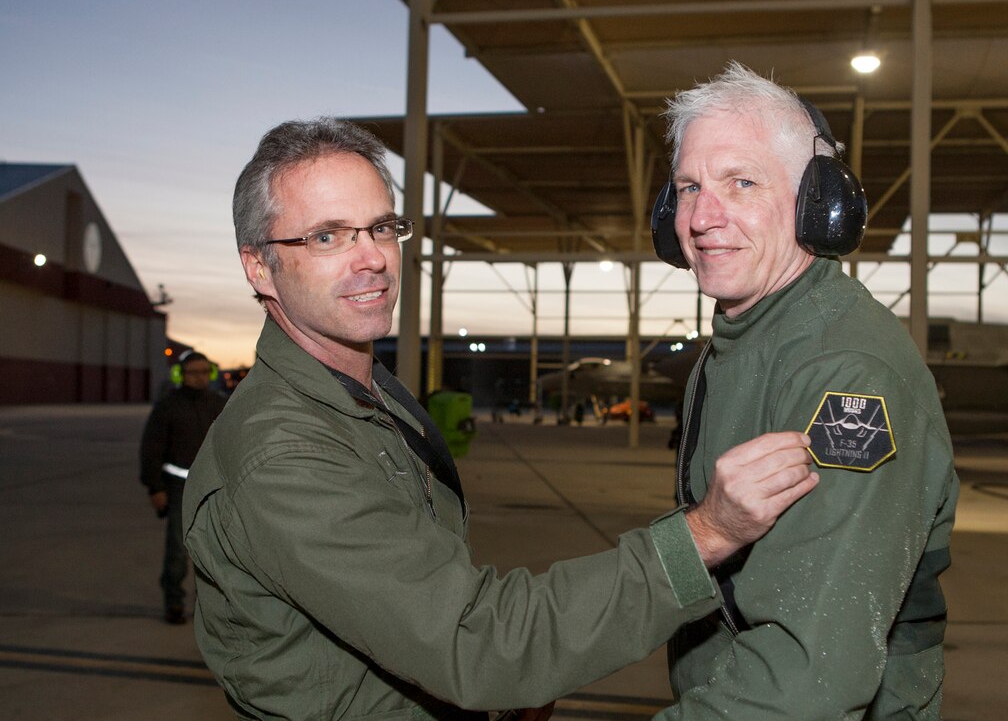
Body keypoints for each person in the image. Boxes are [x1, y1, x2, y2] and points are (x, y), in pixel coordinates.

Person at [182, 117, 820, 720]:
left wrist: (493, 699)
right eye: (326, 236)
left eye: (380, 228)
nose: (371, 258)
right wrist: (703, 536)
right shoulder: (284, 455)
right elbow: (475, 642)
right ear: (259, 266)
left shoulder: (366, 390)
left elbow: (426, 602)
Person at [649, 62, 960, 718]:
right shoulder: (742, 340)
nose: (704, 216)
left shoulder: (846, 374)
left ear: (815, 202)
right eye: (688, 187)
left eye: (741, 182)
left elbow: (804, 683)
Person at [139, 349, 227, 624]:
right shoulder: (167, 407)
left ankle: (213, 610)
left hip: (216, 489)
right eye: (193, 373)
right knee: (178, 549)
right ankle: (174, 602)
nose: (200, 378)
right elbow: (151, 449)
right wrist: (155, 488)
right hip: (179, 489)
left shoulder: (220, 404)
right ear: (181, 375)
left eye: (205, 372)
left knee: (216, 552)